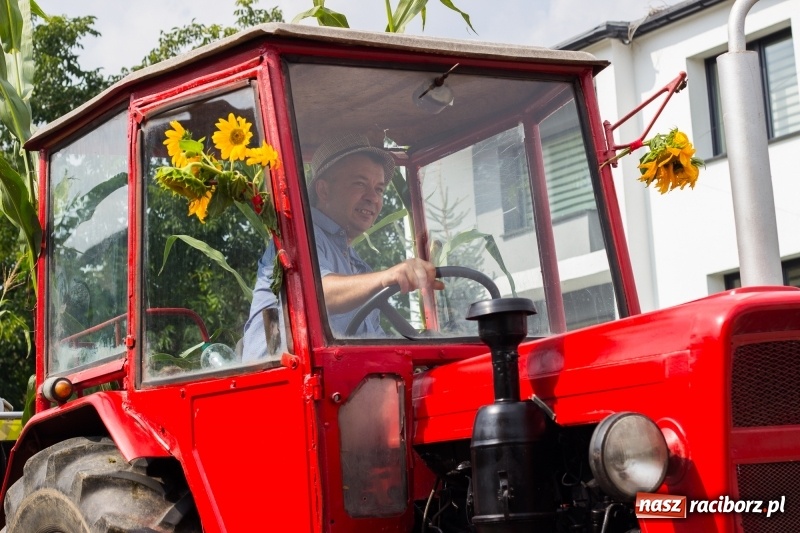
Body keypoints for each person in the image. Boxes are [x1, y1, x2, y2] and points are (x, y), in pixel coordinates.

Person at [243, 134, 443, 361]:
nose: (372, 198)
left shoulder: (357, 266)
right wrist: (388, 276)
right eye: (359, 184)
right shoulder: (295, 240)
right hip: (280, 386)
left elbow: (374, 343)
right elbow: (313, 293)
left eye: (379, 189)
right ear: (324, 190)